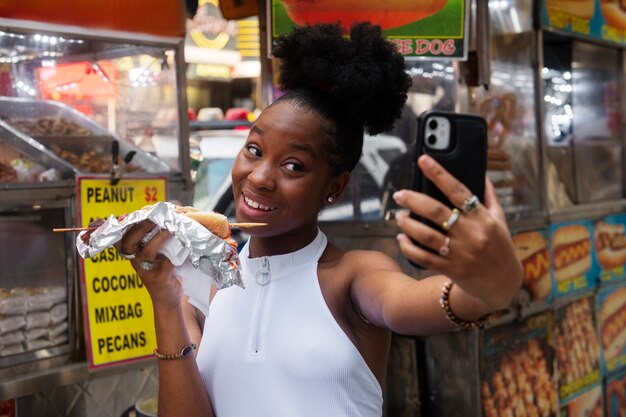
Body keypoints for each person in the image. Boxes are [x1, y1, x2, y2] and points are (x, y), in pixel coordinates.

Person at [117, 22, 523, 417]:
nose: (259, 177)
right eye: (254, 150)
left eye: (293, 165)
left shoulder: (353, 276)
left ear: (335, 187)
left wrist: (493, 283)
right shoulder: (206, 286)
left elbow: (413, 303)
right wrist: (166, 303)